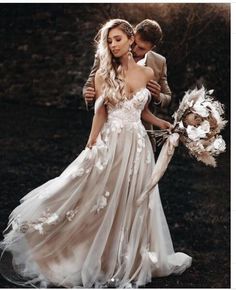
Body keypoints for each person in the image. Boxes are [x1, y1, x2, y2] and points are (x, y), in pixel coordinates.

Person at [0, 19, 192, 288]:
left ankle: (126, 254)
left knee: (133, 198)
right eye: (109, 41)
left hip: (138, 144)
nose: (113, 45)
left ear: (130, 39)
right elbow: (101, 112)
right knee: (100, 192)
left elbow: (143, 111)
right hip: (112, 140)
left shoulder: (149, 72)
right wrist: (91, 142)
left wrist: (163, 123)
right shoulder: (103, 75)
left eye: (118, 39)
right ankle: (85, 249)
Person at [83, 19, 172, 151]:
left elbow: (167, 96)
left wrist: (159, 97)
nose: (134, 50)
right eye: (134, 43)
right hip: (109, 133)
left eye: (141, 48)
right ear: (132, 36)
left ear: (152, 47)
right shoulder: (108, 56)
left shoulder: (158, 63)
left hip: (142, 136)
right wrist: (88, 95)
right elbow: (90, 86)